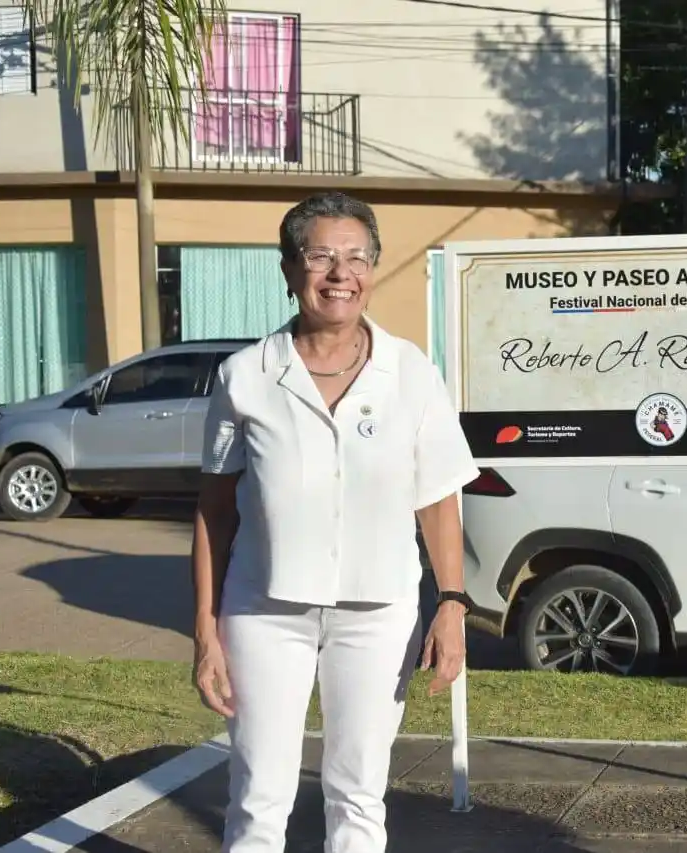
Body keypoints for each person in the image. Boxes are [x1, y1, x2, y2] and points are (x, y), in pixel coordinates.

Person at [189, 190, 481, 853]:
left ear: (373, 269)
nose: (339, 273)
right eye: (320, 256)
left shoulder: (410, 372)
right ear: (289, 270)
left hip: (379, 615)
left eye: (356, 257)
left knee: (358, 794)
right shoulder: (245, 376)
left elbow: (437, 497)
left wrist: (452, 604)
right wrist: (205, 628)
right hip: (263, 611)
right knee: (259, 795)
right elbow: (214, 512)